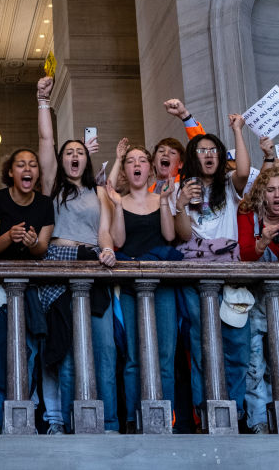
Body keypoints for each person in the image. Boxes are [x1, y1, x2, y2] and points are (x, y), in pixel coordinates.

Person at [36, 75, 117, 434]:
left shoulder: (98, 193)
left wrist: (108, 249)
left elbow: (104, 230)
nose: (74, 156)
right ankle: (72, 424)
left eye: (79, 152)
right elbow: (45, 140)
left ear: (87, 160)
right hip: (58, 260)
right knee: (67, 349)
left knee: (104, 348)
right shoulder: (52, 186)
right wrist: (43, 100)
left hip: (92, 262)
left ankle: (109, 422)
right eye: (68, 152)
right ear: (62, 160)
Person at [172, 116, 251, 428]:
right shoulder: (180, 188)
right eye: (202, 150)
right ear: (193, 157)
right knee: (202, 343)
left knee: (237, 343)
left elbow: (243, 171)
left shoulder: (229, 185)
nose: (208, 155)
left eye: (214, 150)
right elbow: (182, 235)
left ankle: (235, 410)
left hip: (230, 272)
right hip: (195, 273)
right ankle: (205, 410)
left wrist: (237, 130)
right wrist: (180, 203)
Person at [0, 147, 55, 431]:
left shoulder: (44, 204)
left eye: (33, 164)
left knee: (29, 354)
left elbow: (42, 249)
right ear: (10, 172)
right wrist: (9, 236)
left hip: (30, 291)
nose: (27, 169)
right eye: (21, 164)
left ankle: (24, 422)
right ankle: (4, 423)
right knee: (0, 355)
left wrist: (33, 243)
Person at [108, 145, 178, 423]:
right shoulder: (119, 201)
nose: (136, 165)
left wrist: (164, 201)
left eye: (141, 160)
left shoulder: (161, 198)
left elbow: (169, 236)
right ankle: (134, 419)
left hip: (162, 284)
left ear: (149, 168)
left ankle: (166, 419)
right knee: (134, 356)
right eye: (130, 161)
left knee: (165, 355)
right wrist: (116, 205)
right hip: (130, 286)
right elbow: (118, 241)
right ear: (125, 170)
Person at [236, 168, 279, 434]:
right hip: (251, 297)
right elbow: (244, 255)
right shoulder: (247, 213)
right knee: (254, 360)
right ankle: (258, 420)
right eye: (271, 189)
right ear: (261, 194)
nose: (277, 195)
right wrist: (262, 242)